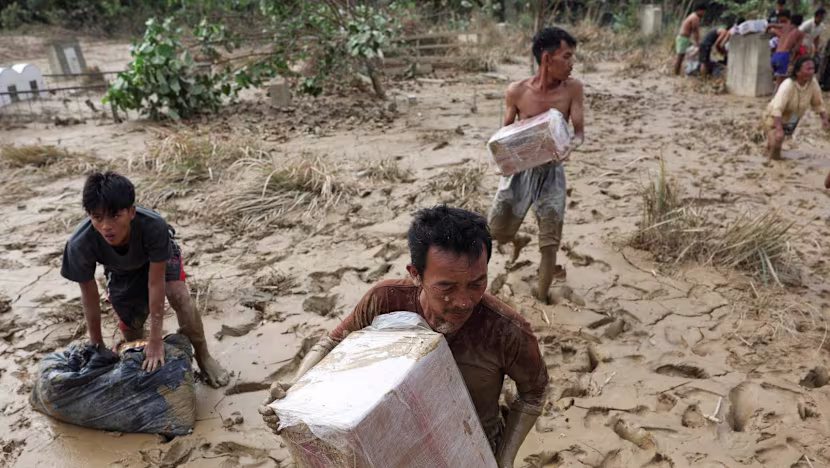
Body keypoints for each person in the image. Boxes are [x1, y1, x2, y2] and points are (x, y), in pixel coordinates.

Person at [259, 206, 549, 468]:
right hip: (388, 446)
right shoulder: (385, 301)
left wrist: (505, 459)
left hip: (470, 447)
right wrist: (295, 392)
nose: (464, 302)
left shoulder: (505, 329)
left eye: (476, 283)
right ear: (415, 274)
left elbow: (534, 392)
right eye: (447, 287)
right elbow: (332, 345)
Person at [61, 171, 230, 387]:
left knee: (178, 294)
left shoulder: (153, 225)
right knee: (131, 325)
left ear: (131, 212)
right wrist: (97, 346)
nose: (106, 226)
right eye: (98, 217)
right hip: (121, 269)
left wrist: (156, 339)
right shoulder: (79, 243)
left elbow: (156, 282)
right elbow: (89, 296)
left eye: (115, 216)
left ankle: (203, 356)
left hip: (157, 259)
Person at [486, 27, 584, 304]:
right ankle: (516, 240)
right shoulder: (516, 91)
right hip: (520, 170)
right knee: (497, 232)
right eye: (567, 56)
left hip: (552, 173)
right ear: (547, 59)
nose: (572, 63)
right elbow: (504, 136)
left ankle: (542, 298)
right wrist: (502, 160)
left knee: (550, 240)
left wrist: (568, 146)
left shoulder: (573, 89)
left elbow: (579, 133)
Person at [762, 56, 830, 160]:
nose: (811, 72)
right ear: (798, 72)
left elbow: (818, 103)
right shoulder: (788, 85)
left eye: (812, 69)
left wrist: (824, 119)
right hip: (773, 117)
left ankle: (767, 149)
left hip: (794, 117)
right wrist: (779, 128)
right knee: (777, 141)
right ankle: (773, 164)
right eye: (808, 69)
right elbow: (777, 109)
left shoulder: (813, 83)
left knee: (782, 137)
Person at [768, 12, 805, 88]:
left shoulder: (784, 26)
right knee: (780, 82)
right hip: (784, 55)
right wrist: (792, 59)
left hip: (775, 55)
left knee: (778, 79)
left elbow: (770, 25)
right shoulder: (799, 33)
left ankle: (776, 94)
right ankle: (776, 95)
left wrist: (766, 31)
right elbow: (797, 49)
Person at [674, 2, 707, 76]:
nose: (703, 13)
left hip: (684, 38)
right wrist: (697, 42)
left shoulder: (692, 16)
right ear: (700, 10)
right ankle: (676, 73)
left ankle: (678, 72)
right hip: (683, 38)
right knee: (680, 56)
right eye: (703, 11)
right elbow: (695, 31)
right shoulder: (695, 18)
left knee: (683, 55)